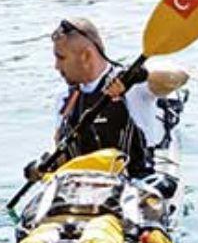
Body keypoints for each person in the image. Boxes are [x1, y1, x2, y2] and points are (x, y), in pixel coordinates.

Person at [40, 17, 188, 178]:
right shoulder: (64, 97)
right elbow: (60, 147)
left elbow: (181, 76)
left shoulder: (131, 84)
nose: (56, 66)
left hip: (135, 183)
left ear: (86, 56)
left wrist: (141, 75)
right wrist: (44, 166)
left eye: (61, 58)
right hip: (84, 187)